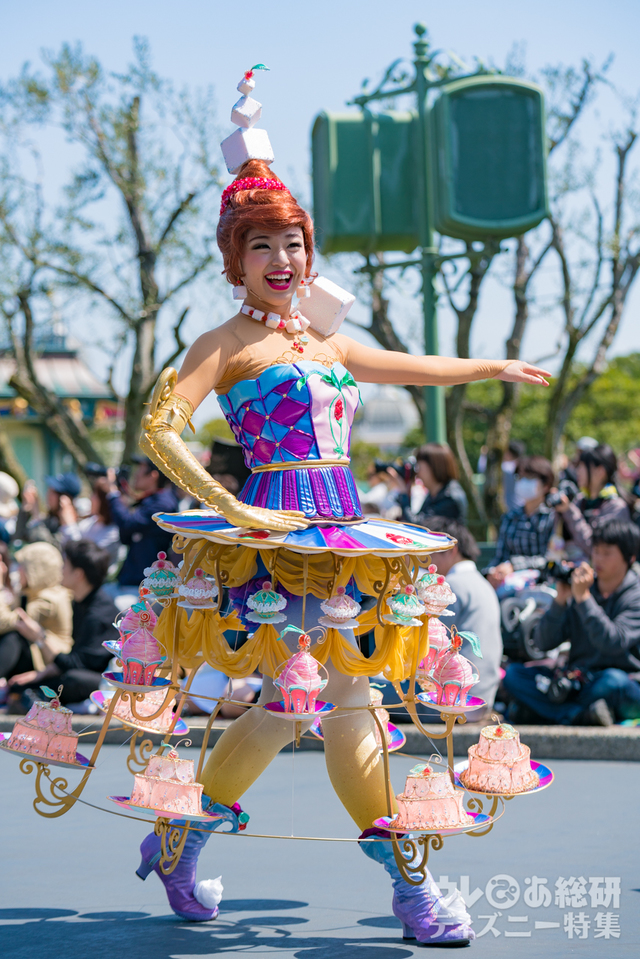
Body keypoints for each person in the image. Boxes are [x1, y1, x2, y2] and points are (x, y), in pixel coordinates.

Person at [129, 125, 550, 945]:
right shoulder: (225, 343)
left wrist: (487, 367)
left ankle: (182, 842)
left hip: (343, 534)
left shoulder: (324, 343)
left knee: (310, 704)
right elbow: (161, 427)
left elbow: (406, 363)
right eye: (263, 245)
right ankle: (412, 886)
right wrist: (238, 507)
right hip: (275, 540)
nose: (282, 258)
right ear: (236, 258)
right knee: (323, 700)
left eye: (293, 242)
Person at [503, 521, 640, 726]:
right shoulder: (581, 588)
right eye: (596, 551)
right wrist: (560, 601)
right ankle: (578, 715)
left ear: (630, 558)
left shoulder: (634, 595)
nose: (598, 558)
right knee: (514, 675)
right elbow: (542, 643)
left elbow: (612, 642)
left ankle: (545, 713)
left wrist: (584, 599)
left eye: (607, 553)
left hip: (621, 684)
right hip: (577, 682)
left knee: (613, 681)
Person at [8, 540, 118, 707]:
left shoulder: (99, 613)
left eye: (65, 565)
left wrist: (39, 637)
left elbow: (76, 664)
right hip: (78, 672)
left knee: (73, 679)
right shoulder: (80, 602)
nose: (61, 569)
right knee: (21, 685)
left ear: (78, 574)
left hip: (105, 681)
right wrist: (40, 674)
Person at [428, 517, 503, 719]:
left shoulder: (452, 586)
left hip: (454, 698)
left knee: (374, 685)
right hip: (482, 697)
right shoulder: (481, 582)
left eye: (430, 554)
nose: (427, 563)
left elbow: (428, 645)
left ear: (452, 550)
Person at [0, 541, 72, 683]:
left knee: (14, 635)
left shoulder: (49, 600)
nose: (17, 570)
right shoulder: (38, 592)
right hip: (37, 652)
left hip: (50, 660)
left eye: (22, 566)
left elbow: (4, 622)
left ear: (35, 570)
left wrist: (1, 586)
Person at [104, 457, 178, 592]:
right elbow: (126, 536)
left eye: (140, 470)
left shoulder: (162, 504)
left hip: (146, 586)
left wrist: (113, 494)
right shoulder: (152, 499)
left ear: (152, 476)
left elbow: (127, 523)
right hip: (133, 579)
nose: (136, 474)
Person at [487, 455, 556, 589]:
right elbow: (500, 555)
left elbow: (550, 558)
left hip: (541, 586)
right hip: (506, 583)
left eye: (529, 478)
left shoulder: (553, 516)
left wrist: (514, 565)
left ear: (546, 485)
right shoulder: (510, 517)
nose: (523, 482)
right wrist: (491, 572)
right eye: (520, 477)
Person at [554, 443, 630, 560]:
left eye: (582, 466)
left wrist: (569, 512)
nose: (577, 471)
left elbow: (594, 548)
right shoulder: (580, 500)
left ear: (600, 471)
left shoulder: (616, 506)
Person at [398, 443, 468, 526]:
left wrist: (403, 493)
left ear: (433, 467)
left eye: (419, 467)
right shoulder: (435, 493)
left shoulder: (449, 498)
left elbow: (418, 526)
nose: (417, 473)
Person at [59, 481, 120, 568]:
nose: (91, 498)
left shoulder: (113, 533)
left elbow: (86, 559)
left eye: (95, 495)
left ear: (104, 501)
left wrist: (69, 525)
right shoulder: (89, 522)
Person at [14, 473, 81, 546]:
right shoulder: (51, 520)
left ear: (64, 498)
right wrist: (26, 507)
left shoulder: (76, 527)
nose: (48, 494)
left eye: (53, 491)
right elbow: (19, 539)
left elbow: (49, 547)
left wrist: (36, 516)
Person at [501, 440, 526, 511]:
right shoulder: (524, 466)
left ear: (508, 453)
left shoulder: (505, 467)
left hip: (509, 508)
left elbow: (482, 469)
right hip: (521, 506)